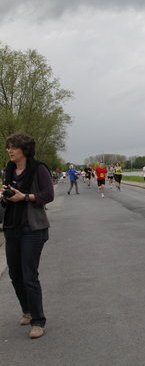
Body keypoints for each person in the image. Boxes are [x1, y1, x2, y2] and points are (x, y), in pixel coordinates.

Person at [1, 133, 54, 339]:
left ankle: (38, 321)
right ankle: (27, 310)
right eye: (8, 147)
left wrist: (25, 197)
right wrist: (5, 196)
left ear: (25, 149)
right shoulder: (9, 169)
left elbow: (48, 195)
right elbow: (9, 196)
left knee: (29, 275)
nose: (10, 150)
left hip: (33, 228)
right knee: (15, 275)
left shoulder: (38, 168)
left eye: (13, 146)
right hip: (12, 226)